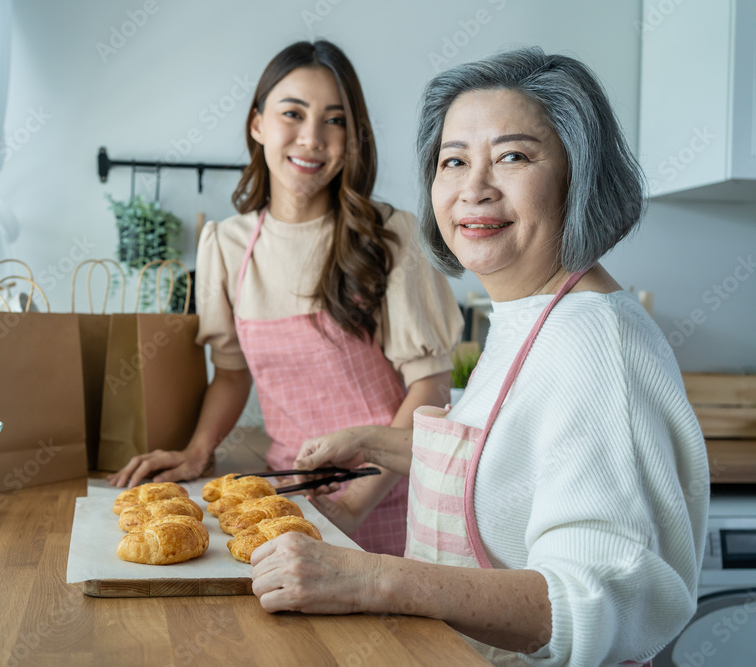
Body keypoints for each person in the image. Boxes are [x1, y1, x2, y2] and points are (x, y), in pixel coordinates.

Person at [248, 47, 709, 666]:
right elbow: (515, 469)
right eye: (454, 161)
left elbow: (593, 600)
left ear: (580, 174)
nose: (474, 188)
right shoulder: (531, 314)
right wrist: (379, 442)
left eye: (513, 156)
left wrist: (370, 577)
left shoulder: (599, 344)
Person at [109, 40, 464, 556]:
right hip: (289, 500)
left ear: (354, 136)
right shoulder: (226, 246)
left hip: (394, 503)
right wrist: (196, 451)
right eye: (292, 113)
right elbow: (232, 374)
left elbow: (430, 388)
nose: (312, 138)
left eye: (334, 120)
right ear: (257, 125)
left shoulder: (393, 236)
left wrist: (353, 505)